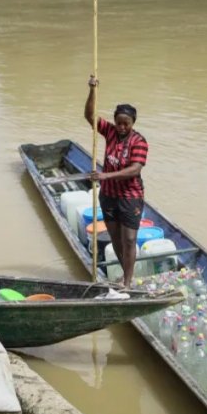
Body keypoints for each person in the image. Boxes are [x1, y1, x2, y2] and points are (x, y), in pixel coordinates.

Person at [84, 76, 149, 287]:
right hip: (109, 195)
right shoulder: (110, 132)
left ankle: (128, 282)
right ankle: (125, 275)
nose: (121, 127)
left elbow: (134, 170)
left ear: (133, 123)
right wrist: (93, 90)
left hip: (130, 197)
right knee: (116, 239)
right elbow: (90, 116)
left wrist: (105, 175)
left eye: (126, 124)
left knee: (129, 239)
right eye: (119, 123)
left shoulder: (139, 141)